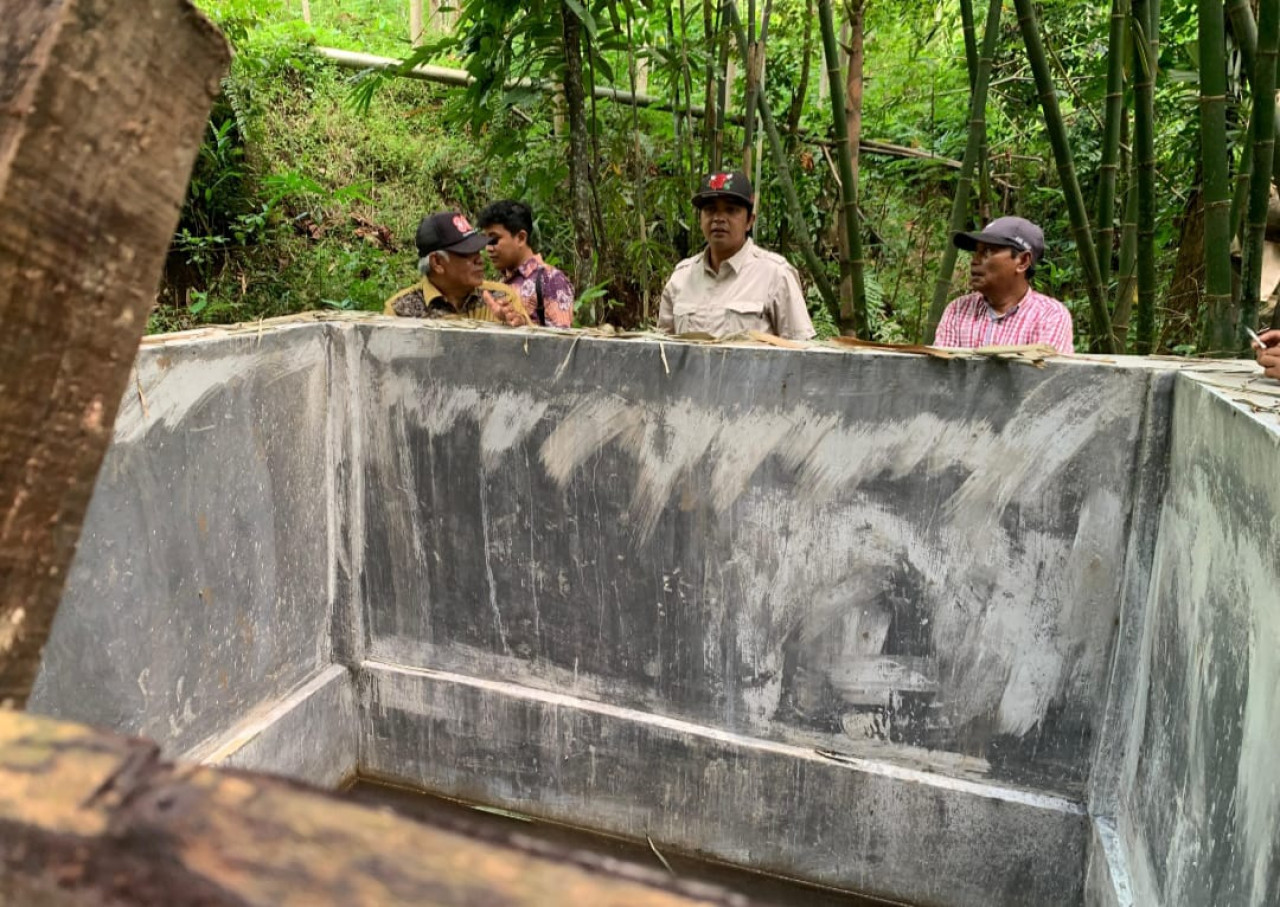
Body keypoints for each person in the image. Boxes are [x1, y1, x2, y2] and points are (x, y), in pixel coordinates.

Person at [658, 170, 815, 341]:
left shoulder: (775, 275)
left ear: (749, 221)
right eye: (710, 210)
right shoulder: (681, 278)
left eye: (731, 210)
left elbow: (800, 349)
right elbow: (662, 348)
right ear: (700, 219)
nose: (718, 218)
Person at [935, 216, 1074, 354]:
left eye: (987, 251)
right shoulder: (959, 310)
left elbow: (1044, 368)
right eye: (976, 252)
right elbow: (942, 367)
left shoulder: (1049, 316)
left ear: (1023, 261)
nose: (974, 261)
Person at [384, 211, 527, 324]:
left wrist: (517, 327)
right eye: (466, 253)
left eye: (477, 250)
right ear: (437, 263)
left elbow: (530, 347)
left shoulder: (502, 298)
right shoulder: (400, 312)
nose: (479, 259)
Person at [477, 200, 575, 328]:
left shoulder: (551, 280)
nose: (488, 248)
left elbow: (562, 338)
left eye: (494, 239)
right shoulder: (500, 283)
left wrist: (523, 324)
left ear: (521, 238)